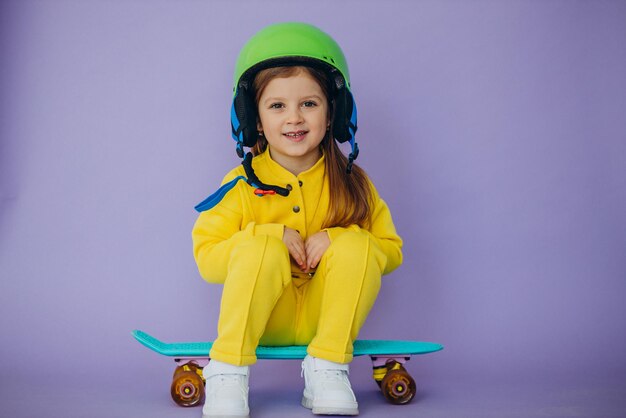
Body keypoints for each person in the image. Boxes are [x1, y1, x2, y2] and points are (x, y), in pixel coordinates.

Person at [192, 22, 403, 418]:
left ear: (333, 114)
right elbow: (208, 259)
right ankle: (229, 370)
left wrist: (340, 238)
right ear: (253, 118)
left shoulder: (353, 182)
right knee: (258, 245)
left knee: (358, 242)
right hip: (263, 321)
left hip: (329, 325)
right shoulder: (239, 184)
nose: (295, 118)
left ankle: (327, 369)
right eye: (277, 106)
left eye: (309, 103)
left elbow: (390, 252)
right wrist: (268, 235)